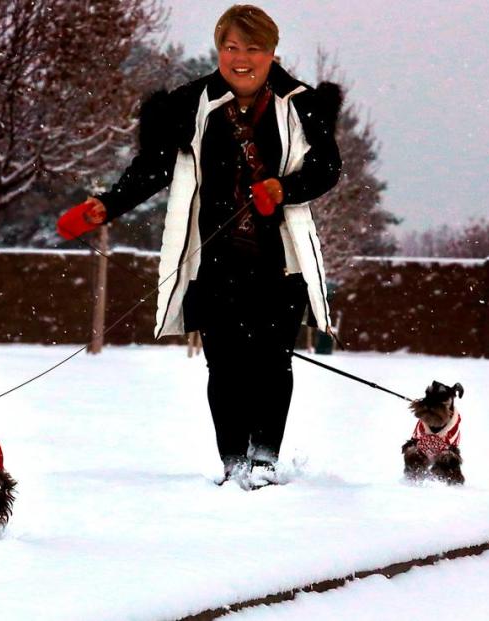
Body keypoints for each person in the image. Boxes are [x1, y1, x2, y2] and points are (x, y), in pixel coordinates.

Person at [57, 5, 343, 488]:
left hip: (282, 263)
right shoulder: (189, 103)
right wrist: (109, 205)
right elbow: (153, 167)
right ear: (219, 50)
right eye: (232, 47)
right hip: (214, 261)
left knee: (273, 363)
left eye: (253, 48)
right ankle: (233, 461)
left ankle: (264, 458)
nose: (242, 58)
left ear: (272, 53)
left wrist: (283, 190)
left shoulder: (302, 104)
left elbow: (328, 167)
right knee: (225, 364)